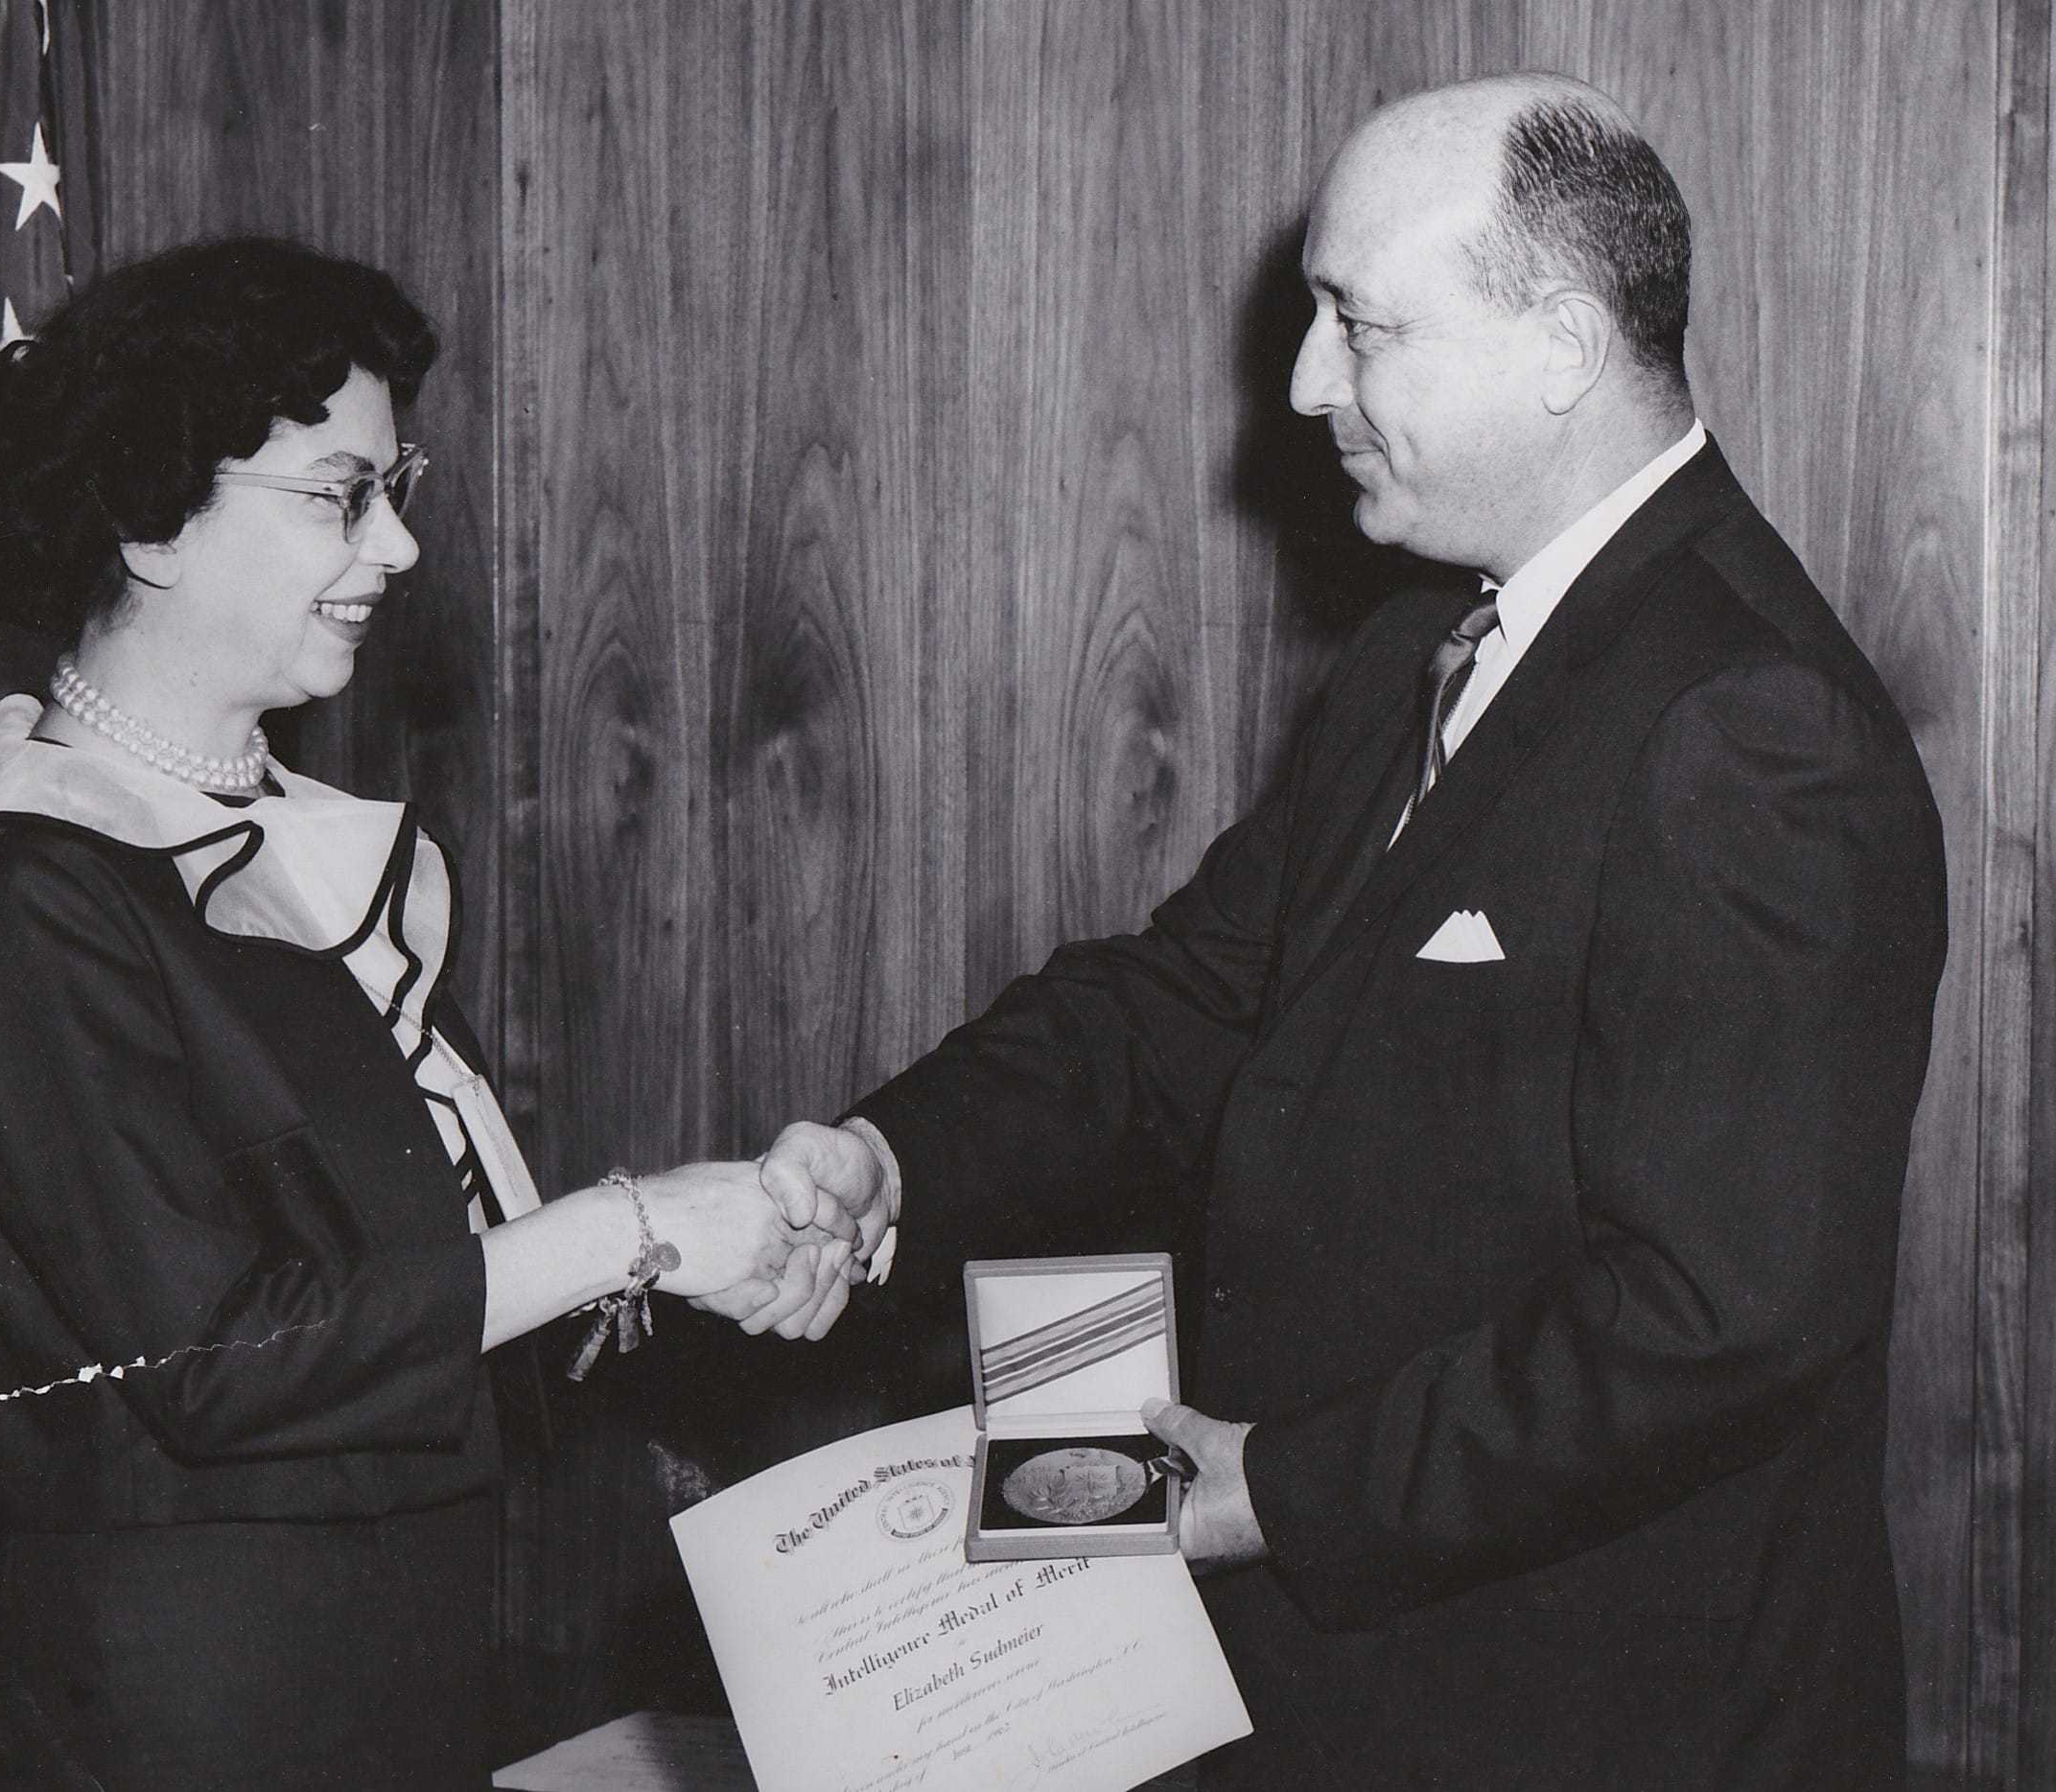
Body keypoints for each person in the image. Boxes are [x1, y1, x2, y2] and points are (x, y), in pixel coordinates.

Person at [733, 74, 1948, 1787]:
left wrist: (1262, 1492)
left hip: (1601, 1724)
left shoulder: (1749, 725)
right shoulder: (1417, 653)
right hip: (1351, 1700)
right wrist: (890, 1160)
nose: (1304, 386)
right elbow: (1184, 1005)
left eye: (1358, 325)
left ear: (1561, 349)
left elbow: (1712, 1317)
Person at [0, 237, 842, 1789]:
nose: (398, 548)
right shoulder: (30, 887)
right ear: (152, 519)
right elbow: (221, 1353)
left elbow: (420, 1280)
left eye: (395, 488)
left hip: (385, 1673)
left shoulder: (322, 846)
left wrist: (722, 1248)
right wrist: (636, 1224)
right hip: (181, 1722)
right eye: (343, 494)